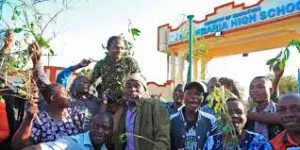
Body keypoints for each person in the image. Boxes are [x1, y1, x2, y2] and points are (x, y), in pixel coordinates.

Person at [11, 65, 85, 149]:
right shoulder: (41, 121)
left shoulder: (74, 114)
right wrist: (28, 118)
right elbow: (18, 146)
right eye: (65, 94)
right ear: (53, 98)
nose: (69, 97)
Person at [115, 73, 170, 150]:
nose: (132, 89)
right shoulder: (124, 109)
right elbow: (120, 139)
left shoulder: (155, 106)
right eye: (128, 86)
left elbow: (163, 140)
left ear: (144, 89)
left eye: (137, 86)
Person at [203, 98, 272, 150]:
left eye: (239, 112)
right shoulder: (212, 141)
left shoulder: (258, 141)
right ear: (221, 117)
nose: (234, 115)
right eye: (228, 112)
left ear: (245, 116)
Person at [23, 112, 113, 150]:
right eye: (96, 126)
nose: (100, 131)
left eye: (105, 128)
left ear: (112, 131)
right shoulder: (73, 142)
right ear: (90, 126)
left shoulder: (103, 147)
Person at [91, 35, 140, 104]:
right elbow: (91, 82)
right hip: (108, 102)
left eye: (122, 48)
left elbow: (139, 82)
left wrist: (127, 95)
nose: (119, 50)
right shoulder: (100, 64)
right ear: (108, 48)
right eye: (116, 47)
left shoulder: (130, 62)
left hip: (128, 100)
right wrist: (100, 93)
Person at [56, 59, 103, 131]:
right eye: (82, 81)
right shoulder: (68, 99)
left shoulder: (96, 101)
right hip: (70, 137)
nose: (86, 83)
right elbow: (61, 77)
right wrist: (78, 66)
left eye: (87, 82)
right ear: (74, 84)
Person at [170, 81, 217, 150]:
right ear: (183, 96)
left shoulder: (211, 120)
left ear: (203, 98)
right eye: (189, 93)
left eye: (198, 94)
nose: (194, 96)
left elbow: (215, 145)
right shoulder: (171, 120)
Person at [245, 76, 283, 140]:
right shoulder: (248, 114)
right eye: (251, 87)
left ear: (270, 90)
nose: (254, 90)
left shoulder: (280, 110)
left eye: (260, 87)